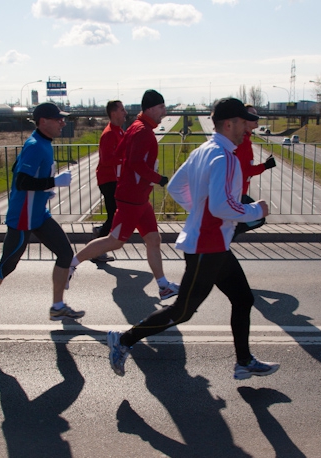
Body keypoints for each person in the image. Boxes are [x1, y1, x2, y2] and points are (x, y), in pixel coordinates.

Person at [106, 98, 279, 380]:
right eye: (244, 122)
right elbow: (222, 206)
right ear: (228, 123)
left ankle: (244, 361)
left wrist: (197, 210)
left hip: (214, 244)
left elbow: (175, 186)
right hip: (206, 247)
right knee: (182, 311)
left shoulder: (205, 150)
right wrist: (255, 209)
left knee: (243, 299)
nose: (248, 127)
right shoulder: (225, 158)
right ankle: (123, 340)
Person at [0, 103, 84, 334]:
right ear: (43, 122)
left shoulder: (44, 144)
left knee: (65, 253)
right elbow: (21, 181)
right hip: (22, 217)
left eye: (63, 119)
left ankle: (57, 306)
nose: (62, 122)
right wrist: (53, 182)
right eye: (58, 119)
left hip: (38, 214)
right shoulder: (34, 146)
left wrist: (47, 189)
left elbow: (20, 173)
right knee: (7, 265)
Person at [67, 90, 179, 300]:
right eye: (162, 107)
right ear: (151, 108)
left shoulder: (136, 127)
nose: (164, 112)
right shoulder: (143, 131)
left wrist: (130, 173)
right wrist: (158, 178)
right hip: (132, 198)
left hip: (139, 196)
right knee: (114, 241)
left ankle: (163, 286)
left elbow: (120, 154)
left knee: (154, 239)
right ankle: (71, 265)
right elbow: (136, 163)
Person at [90, 100, 127, 263]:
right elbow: (105, 160)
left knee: (115, 214)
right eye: (122, 110)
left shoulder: (119, 131)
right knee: (114, 214)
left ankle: (100, 234)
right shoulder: (109, 133)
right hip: (108, 180)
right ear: (114, 113)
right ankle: (97, 248)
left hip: (115, 179)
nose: (125, 112)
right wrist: (125, 159)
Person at [233, 104, 275, 238]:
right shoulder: (243, 142)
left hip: (240, 192)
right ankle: (228, 235)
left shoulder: (246, 140)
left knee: (258, 217)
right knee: (259, 217)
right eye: (252, 115)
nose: (256, 118)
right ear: (243, 120)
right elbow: (244, 171)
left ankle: (228, 235)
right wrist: (265, 166)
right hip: (238, 193)